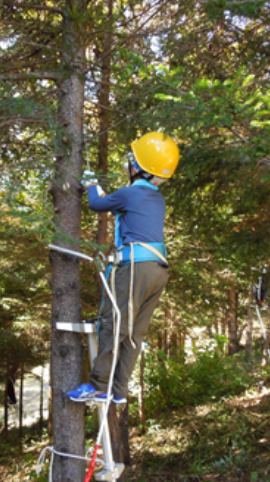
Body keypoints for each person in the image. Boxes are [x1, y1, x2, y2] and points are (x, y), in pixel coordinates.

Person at [67, 132, 180, 405]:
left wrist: (91, 183)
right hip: (158, 270)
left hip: (136, 269)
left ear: (139, 168)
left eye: (131, 161)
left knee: (113, 323)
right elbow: (118, 205)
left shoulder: (131, 194)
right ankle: (119, 390)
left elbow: (97, 203)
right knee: (135, 332)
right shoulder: (155, 198)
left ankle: (98, 387)